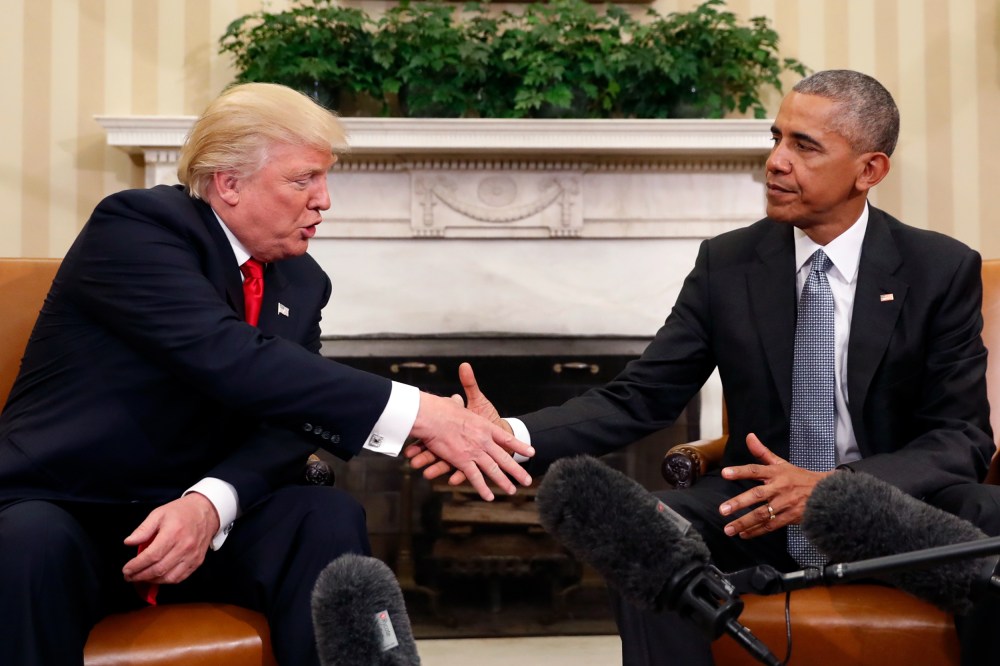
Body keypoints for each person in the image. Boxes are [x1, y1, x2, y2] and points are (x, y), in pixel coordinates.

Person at [407, 69, 1000, 665]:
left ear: (869, 171)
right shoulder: (728, 264)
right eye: (777, 138)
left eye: (805, 146)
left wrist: (833, 491)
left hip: (895, 510)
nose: (775, 161)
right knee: (643, 534)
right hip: (754, 511)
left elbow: (961, 438)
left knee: (991, 520)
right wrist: (510, 435)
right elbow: (640, 397)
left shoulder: (937, 269)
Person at [0, 82, 534, 666]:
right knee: (28, 542)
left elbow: (289, 420)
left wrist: (210, 504)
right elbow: (231, 357)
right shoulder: (137, 228)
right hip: (74, 511)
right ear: (229, 183)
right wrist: (423, 414)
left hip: (201, 526)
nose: (324, 200)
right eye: (303, 179)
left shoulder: (302, 281)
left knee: (326, 517)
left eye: (325, 179)